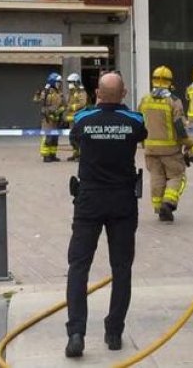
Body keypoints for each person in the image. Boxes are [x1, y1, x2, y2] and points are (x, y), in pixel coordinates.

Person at [64, 71, 147, 359]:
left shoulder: (83, 119)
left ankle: (76, 333)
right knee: (121, 268)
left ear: (97, 94)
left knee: (78, 266)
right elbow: (141, 133)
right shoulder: (134, 120)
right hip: (122, 201)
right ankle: (114, 333)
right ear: (124, 94)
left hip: (89, 201)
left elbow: (75, 138)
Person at [138, 66, 192, 222]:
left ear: (153, 80)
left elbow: (139, 122)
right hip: (170, 150)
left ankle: (158, 207)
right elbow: (179, 126)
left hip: (150, 149)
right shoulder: (174, 101)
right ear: (170, 82)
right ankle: (168, 203)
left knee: (156, 177)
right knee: (177, 176)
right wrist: (188, 143)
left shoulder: (145, 100)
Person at [34, 73, 65, 162]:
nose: (59, 84)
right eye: (58, 82)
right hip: (48, 119)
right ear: (52, 82)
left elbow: (64, 104)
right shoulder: (46, 92)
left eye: (59, 82)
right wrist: (37, 94)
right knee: (47, 137)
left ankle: (52, 155)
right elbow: (36, 100)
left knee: (55, 137)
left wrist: (60, 111)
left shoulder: (59, 92)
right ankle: (46, 155)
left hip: (56, 119)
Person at [64, 73, 89, 162]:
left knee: (78, 137)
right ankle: (75, 154)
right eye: (69, 82)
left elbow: (82, 103)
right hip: (72, 119)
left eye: (71, 82)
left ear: (76, 82)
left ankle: (80, 155)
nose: (69, 84)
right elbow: (68, 103)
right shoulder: (71, 93)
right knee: (72, 138)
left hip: (79, 118)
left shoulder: (81, 92)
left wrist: (72, 107)